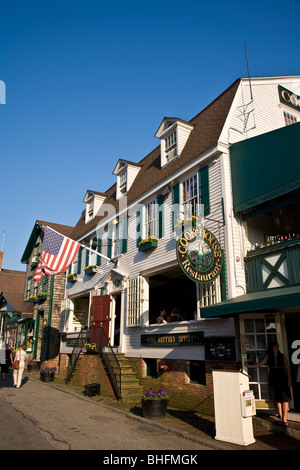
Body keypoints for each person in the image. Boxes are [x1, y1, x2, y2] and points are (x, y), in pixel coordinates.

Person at [246, 341, 291, 426]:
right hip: (273, 377)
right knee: (277, 398)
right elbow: (260, 364)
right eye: (275, 347)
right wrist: (249, 366)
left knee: (285, 398)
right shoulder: (268, 356)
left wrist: (289, 379)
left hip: (282, 377)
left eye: (277, 347)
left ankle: (285, 419)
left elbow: (287, 368)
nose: (276, 348)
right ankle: (281, 417)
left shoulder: (282, 356)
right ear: (272, 348)